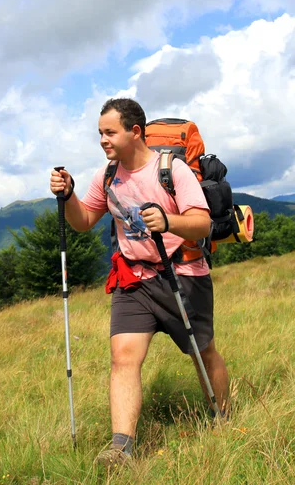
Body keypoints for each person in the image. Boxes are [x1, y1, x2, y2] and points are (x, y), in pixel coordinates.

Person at [50, 98, 229, 466]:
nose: (103, 139)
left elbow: (201, 223)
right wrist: (68, 195)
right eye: (100, 132)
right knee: (123, 359)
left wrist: (168, 221)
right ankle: (121, 448)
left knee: (202, 351)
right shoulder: (108, 175)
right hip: (134, 279)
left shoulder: (170, 169)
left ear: (134, 132)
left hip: (182, 276)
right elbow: (83, 220)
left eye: (110, 132)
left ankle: (224, 420)